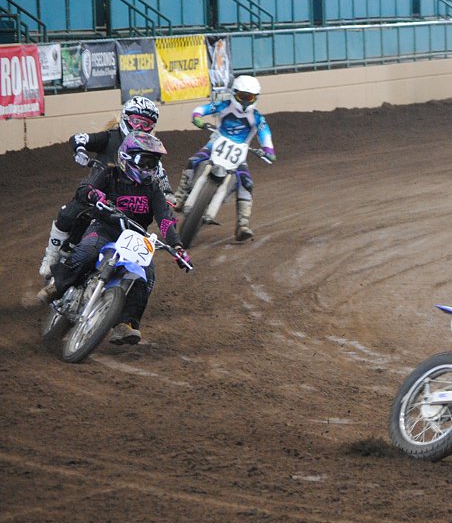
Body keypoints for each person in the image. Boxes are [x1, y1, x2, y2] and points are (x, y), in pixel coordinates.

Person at [38, 132, 191, 346]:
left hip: (135, 236)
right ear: (126, 157)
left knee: (146, 276)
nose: (148, 168)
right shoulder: (109, 174)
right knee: (88, 251)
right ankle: (58, 287)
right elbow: (85, 189)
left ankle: (125, 325)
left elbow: (165, 218)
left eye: (153, 162)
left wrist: (177, 246)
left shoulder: (153, 187)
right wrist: (93, 195)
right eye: (144, 161)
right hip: (105, 226)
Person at [38, 97, 172, 280]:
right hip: (95, 191)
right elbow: (79, 138)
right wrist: (80, 151)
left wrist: (168, 193)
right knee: (68, 214)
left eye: (146, 124)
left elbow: (159, 172)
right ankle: (51, 256)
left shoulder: (149, 148)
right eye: (136, 121)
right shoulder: (111, 137)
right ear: (125, 118)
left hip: (122, 200)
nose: (140, 127)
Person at [175, 76, 276, 242]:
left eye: (249, 97)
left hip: (239, 153)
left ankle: (242, 224)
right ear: (234, 94)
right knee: (193, 161)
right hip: (215, 144)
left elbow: (265, 134)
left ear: (255, 98)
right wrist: (197, 117)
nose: (245, 101)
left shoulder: (257, 118)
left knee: (246, 183)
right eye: (242, 96)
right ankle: (180, 197)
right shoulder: (224, 106)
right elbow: (203, 109)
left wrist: (268, 150)